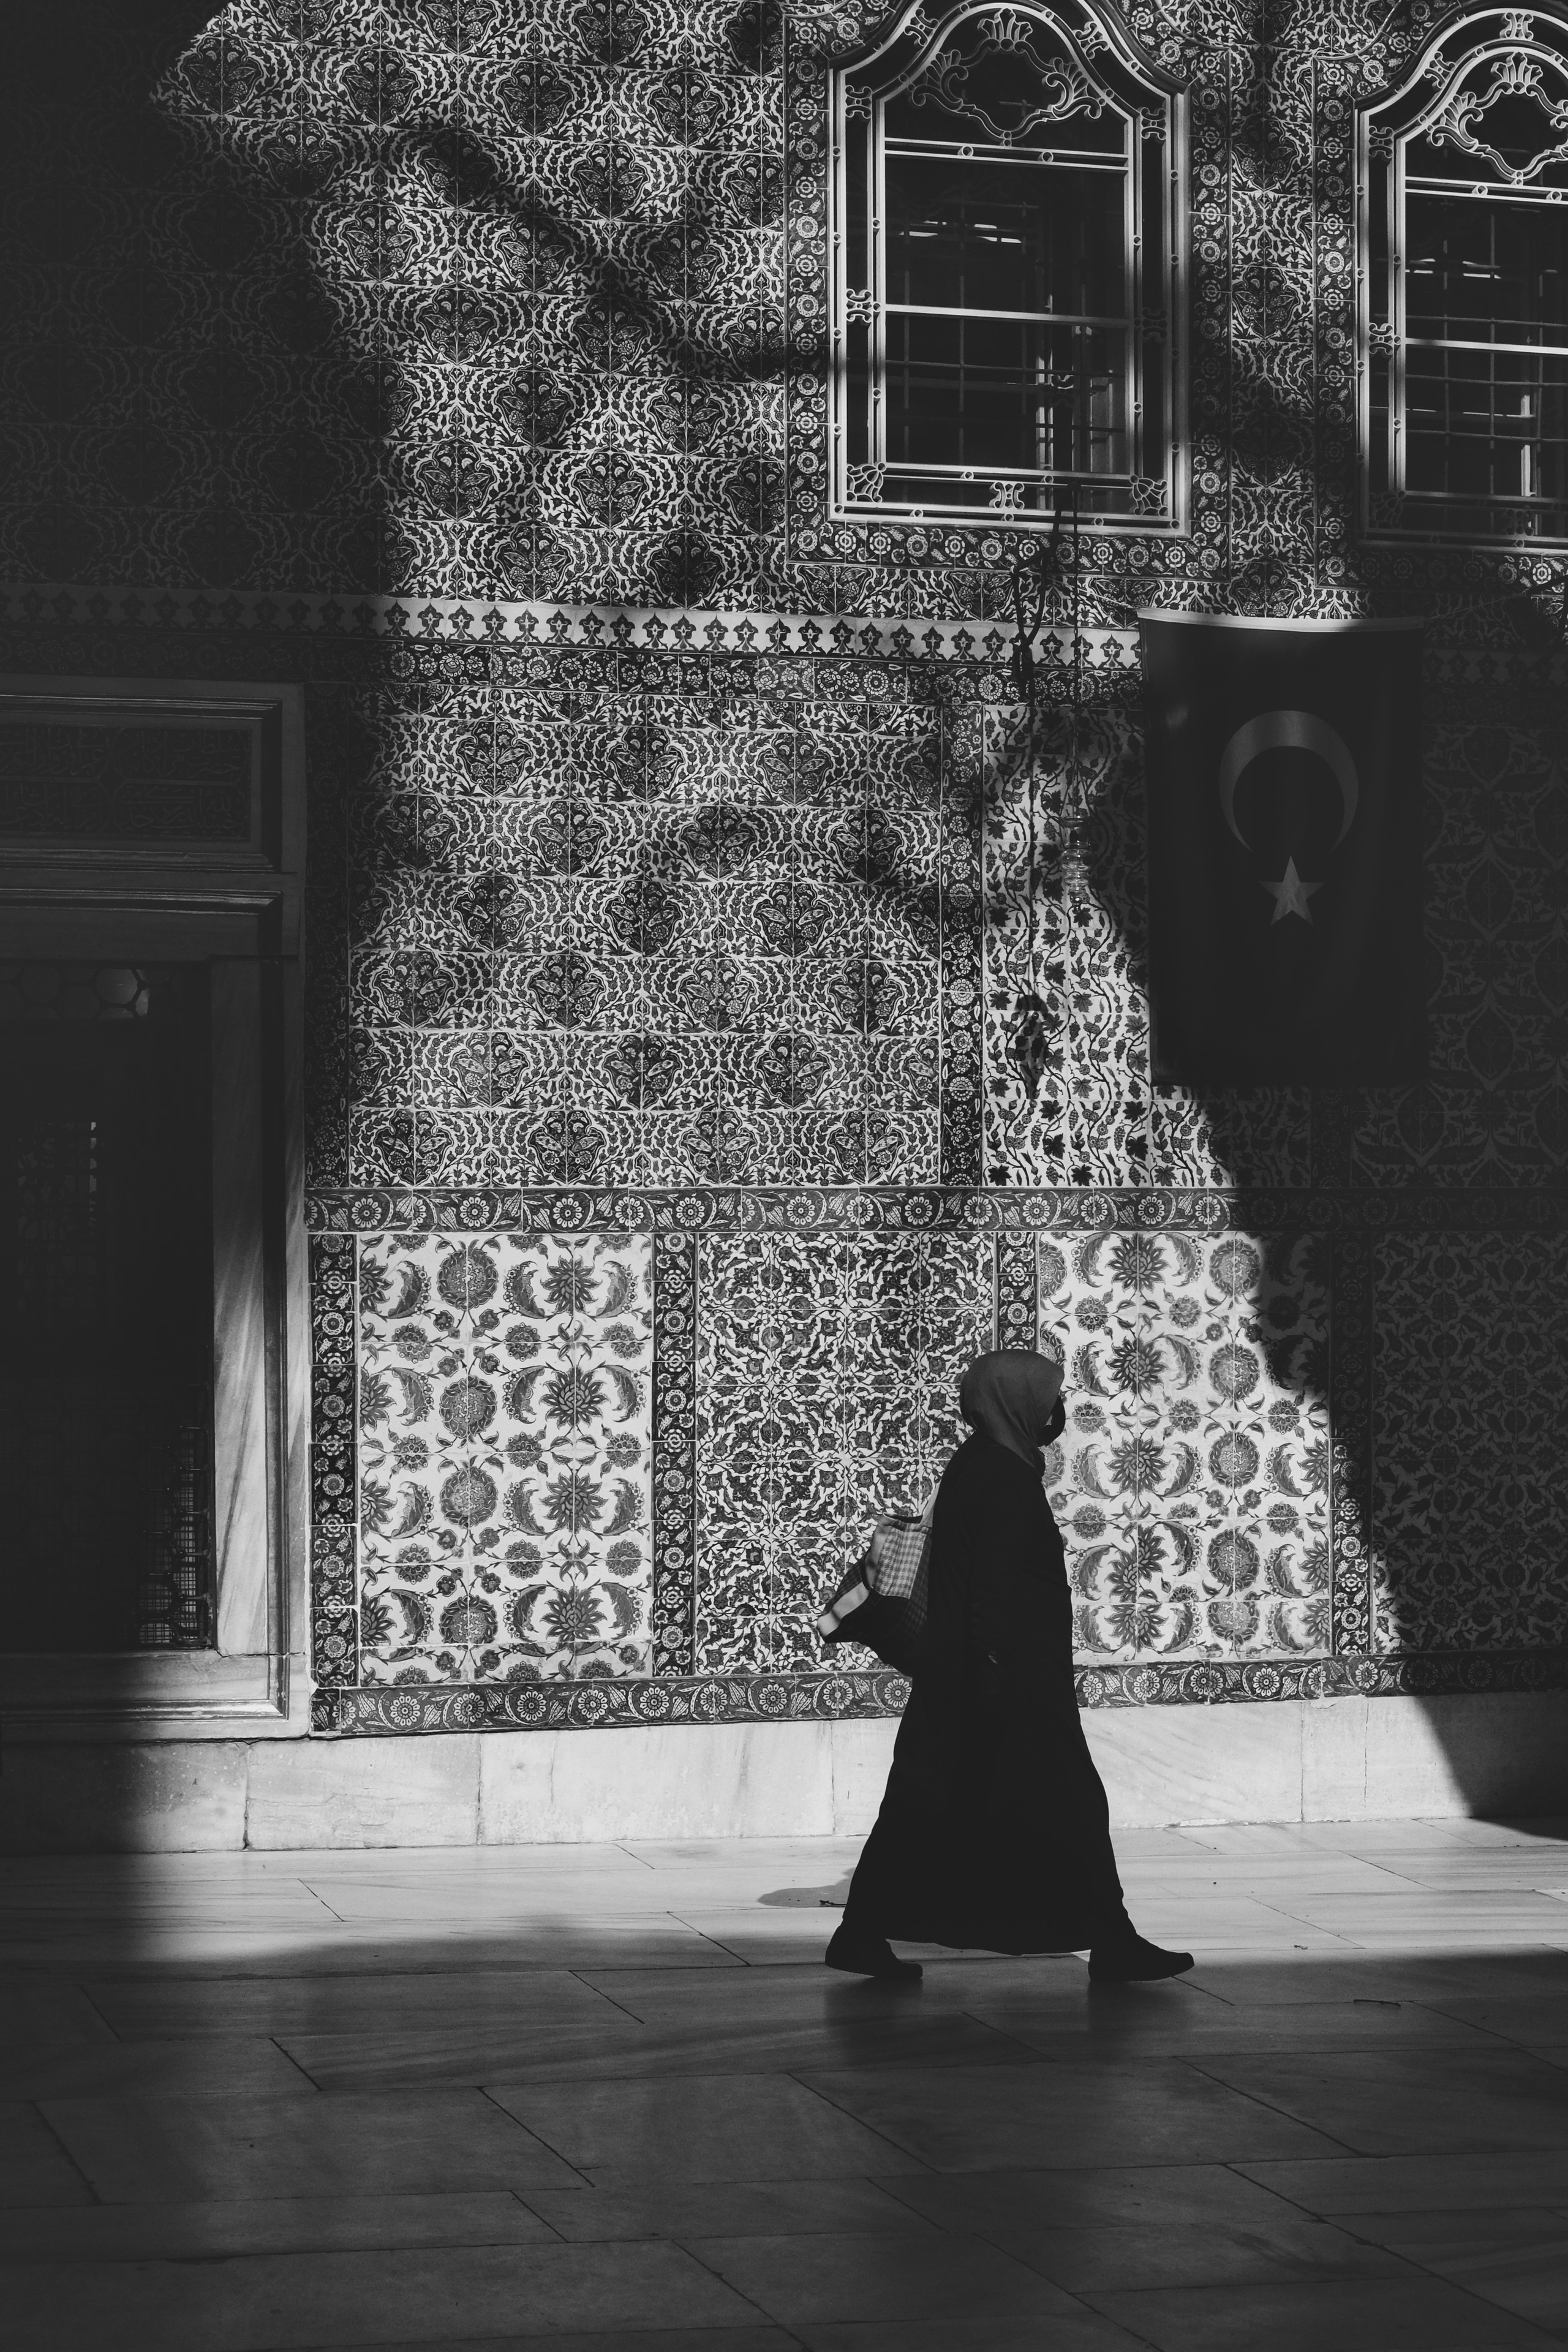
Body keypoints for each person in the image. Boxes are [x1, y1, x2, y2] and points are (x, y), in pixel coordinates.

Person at [826, 1348, 1194, 1985]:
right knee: (1068, 1806)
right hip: (1003, 1685)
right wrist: (995, 1682)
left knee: (924, 1807)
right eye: (1048, 1398)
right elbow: (991, 1591)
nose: (1056, 1411)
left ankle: (861, 1933)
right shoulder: (1003, 1477)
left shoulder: (981, 1463)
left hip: (971, 1681)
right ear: (1017, 1403)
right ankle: (1112, 1940)